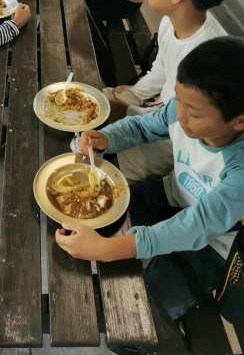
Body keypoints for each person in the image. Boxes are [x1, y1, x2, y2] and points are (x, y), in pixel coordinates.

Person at [56, 36, 244, 324]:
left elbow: (198, 224)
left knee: (149, 305)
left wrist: (108, 250)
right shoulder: (180, 111)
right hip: (173, 194)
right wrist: (106, 139)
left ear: (239, 121)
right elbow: (143, 127)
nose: (179, 115)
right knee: (95, 215)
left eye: (193, 112)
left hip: (216, 246)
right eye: (179, 100)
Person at [101, 0, 234, 180]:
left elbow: (186, 122)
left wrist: (130, 110)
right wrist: (132, 96)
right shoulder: (169, 22)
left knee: (114, 166)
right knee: (98, 102)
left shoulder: (208, 56)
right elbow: (160, 71)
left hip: (180, 135)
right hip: (160, 112)